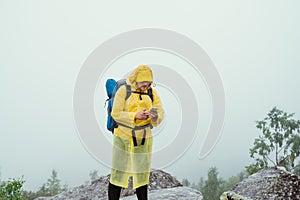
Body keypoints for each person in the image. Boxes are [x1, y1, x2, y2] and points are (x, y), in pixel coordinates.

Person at [108, 64, 164, 200]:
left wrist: (154, 116)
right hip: (123, 137)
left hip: (144, 138)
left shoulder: (152, 93)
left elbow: (160, 112)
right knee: (118, 173)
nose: (146, 85)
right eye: (143, 81)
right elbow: (116, 113)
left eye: (148, 81)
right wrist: (135, 116)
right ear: (136, 79)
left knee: (142, 175)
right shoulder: (123, 90)